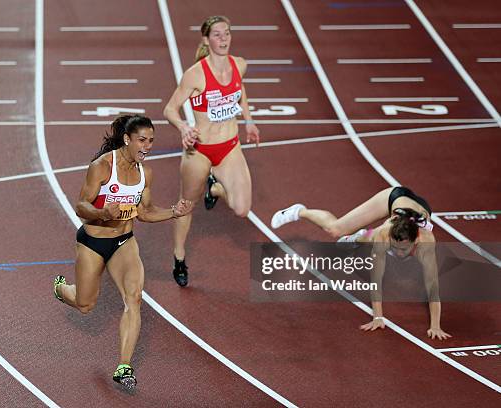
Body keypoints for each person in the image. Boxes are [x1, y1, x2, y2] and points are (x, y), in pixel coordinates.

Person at [53, 115, 193, 390]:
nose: (147, 146)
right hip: (93, 243)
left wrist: (173, 213)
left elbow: (145, 213)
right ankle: (61, 290)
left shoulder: (145, 173)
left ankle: (123, 367)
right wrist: (104, 212)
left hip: (124, 242)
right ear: (127, 140)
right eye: (142, 140)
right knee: (85, 305)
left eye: (151, 141)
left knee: (134, 298)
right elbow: (80, 206)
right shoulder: (102, 167)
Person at [271, 186, 452, 340]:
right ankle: (299, 211)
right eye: (395, 248)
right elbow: (376, 277)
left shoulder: (426, 242)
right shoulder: (384, 234)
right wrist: (378, 316)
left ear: (415, 240)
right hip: (393, 197)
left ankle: (359, 237)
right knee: (336, 229)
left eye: (403, 249)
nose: (398, 253)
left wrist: (435, 325)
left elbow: (432, 285)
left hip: (415, 212)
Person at [163, 15, 261, 287]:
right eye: (217, 35)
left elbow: (240, 91)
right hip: (201, 150)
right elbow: (169, 109)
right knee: (186, 205)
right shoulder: (195, 74)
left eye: (226, 33)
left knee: (242, 209)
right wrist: (183, 127)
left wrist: (249, 120)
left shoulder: (239, 65)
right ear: (206, 40)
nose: (223, 39)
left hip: (230, 147)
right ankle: (179, 258)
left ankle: (215, 188)